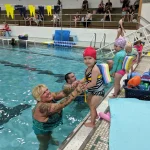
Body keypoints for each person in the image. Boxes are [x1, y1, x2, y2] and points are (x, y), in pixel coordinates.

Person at [32, 83, 84, 150]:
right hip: (42, 131)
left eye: (47, 89)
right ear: (39, 98)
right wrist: (77, 91)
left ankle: (52, 141)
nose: (48, 92)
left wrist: (73, 87)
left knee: (50, 134)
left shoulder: (50, 96)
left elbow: (64, 93)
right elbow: (62, 104)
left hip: (48, 125)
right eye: (44, 93)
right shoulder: (42, 107)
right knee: (44, 144)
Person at [82, 47, 105, 127]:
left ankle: (92, 123)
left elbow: (93, 83)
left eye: (89, 58)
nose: (87, 60)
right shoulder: (87, 69)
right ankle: (95, 115)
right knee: (89, 101)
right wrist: (80, 82)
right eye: (85, 58)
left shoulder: (95, 69)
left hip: (98, 91)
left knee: (92, 105)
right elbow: (86, 78)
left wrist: (85, 87)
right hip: (92, 91)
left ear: (95, 59)